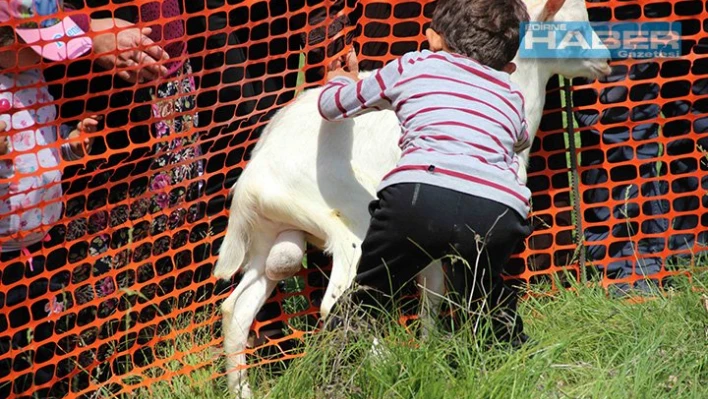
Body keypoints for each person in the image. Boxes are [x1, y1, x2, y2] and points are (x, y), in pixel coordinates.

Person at [320, 0, 534, 347]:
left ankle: (334, 375)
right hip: (496, 210)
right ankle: (514, 359)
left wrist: (339, 81)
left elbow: (333, 107)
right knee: (484, 295)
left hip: (419, 196)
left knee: (370, 295)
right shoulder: (510, 92)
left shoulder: (415, 65)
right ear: (509, 60)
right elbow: (520, 140)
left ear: (434, 38)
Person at [0, 1, 103, 397]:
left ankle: (48, 387)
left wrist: (72, 144)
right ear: (6, 39)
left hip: (44, 237)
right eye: (35, 46)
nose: (44, 58)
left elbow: (47, 146)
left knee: (44, 330)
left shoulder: (34, 79)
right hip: (6, 246)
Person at [575, 1, 708, 296]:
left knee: (695, 124)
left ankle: (691, 250)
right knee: (621, 135)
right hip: (618, 12)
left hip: (695, 11)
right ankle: (629, 267)